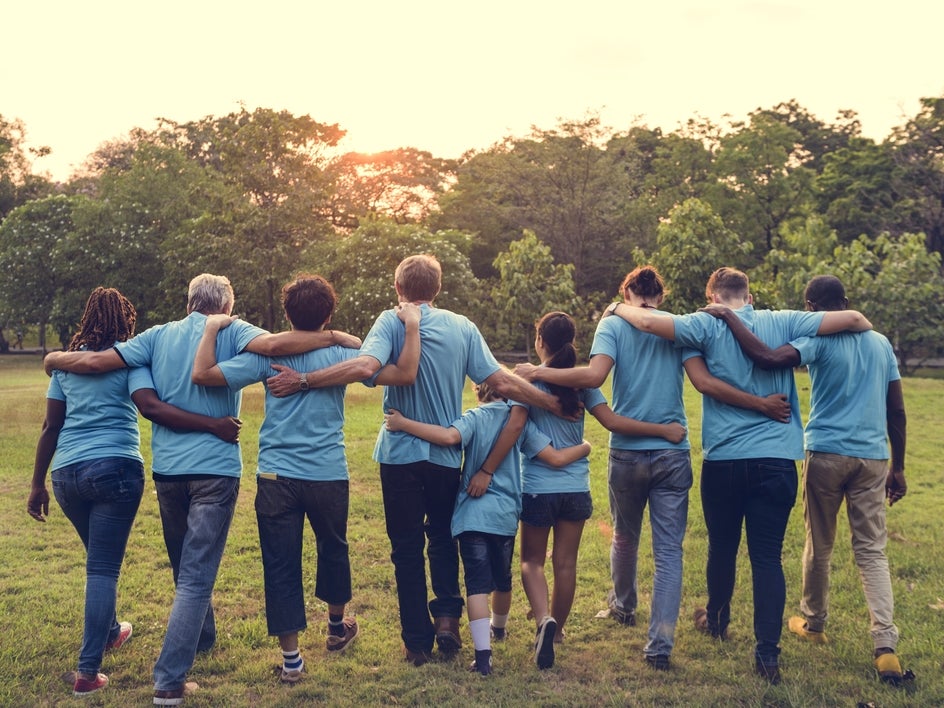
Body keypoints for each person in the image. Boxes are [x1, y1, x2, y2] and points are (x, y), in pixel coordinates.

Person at [43, 274, 357, 706]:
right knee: (195, 576)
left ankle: (203, 637)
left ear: (189, 301)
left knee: (182, 566)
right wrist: (335, 336)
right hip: (215, 468)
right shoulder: (233, 329)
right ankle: (169, 681)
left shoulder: (155, 336)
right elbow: (277, 346)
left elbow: (97, 365)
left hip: (168, 471)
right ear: (226, 305)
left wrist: (55, 359)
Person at [266, 254, 566, 667]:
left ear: (398, 288)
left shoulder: (391, 321)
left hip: (400, 453)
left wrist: (303, 380)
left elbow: (364, 366)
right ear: (438, 289)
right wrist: (549, 401)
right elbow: (498, 380)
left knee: (406, 548)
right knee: (443, 537)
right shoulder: (462, 327)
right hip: (445, 453)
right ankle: (446, 618)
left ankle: (416, 643)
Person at [607, 266, 872, 684]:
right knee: (767, 557)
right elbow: (856, 319)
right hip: (777, 460)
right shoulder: (782, 320)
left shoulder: (703, 325)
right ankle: (767, 654)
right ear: (748, 297)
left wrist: (616, 307)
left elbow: (648, 322)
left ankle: (716, 618)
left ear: (712, 296)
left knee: (722, 547)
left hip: (725, 459)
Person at [516, 268, 789, 671]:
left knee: (624, 537)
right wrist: (761, 403)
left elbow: (593, 377)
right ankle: (659, 644)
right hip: (671, 452)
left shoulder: (612, 325)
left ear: (625, 292)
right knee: (668, 552)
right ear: (661, 297)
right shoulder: (676, 328)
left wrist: (535, 372)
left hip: (626, 452)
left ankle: (624, 606)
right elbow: (701, 380)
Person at [191, 274, 420, 683]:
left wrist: (210, 331)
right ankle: (336, 628)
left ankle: (292, 660)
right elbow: (397, 372)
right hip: (328, 472)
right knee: (334, 549)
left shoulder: (268, 356)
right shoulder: (342, 355)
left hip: (276, 475)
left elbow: (205, 374)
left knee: (280, 562)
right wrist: (351, 340)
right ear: (329, 313)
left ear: (286, 313)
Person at [28, 287, 241, 698]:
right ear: (125, 320)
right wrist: (212, 424)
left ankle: (110, 630)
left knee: (98, 560)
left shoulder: (68, 366)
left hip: (67, 474)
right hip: (115, 471)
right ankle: (87, 672)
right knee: (102, 569)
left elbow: (50, 426)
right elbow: (149, 405)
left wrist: (37, 483)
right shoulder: (133, 357)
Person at [703, 275, 908, 684]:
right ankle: (885, 646)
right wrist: (898, 467)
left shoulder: (818, 341)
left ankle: (814, 623)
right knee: (872, 551)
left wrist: (727, 316)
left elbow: (768, 357)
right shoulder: (881, 343)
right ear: (846, 301)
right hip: (873, 458)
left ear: (811, 308)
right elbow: (897, 410)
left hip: (826, 452)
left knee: (820, 542)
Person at [383, 380, 591, 676]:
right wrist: (585, 446)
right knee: (502, 581)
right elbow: (555, 458)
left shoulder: (474, 418)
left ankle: (483, 658)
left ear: (478, 391)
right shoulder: (520, 423)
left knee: (477, 587)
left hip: (471, 516)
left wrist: (404, 422)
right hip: (505, 518)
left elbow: (446, 437)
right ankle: (500, 628)